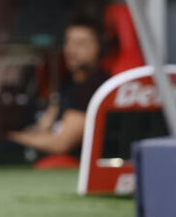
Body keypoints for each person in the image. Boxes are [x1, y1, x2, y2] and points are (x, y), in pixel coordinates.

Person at [8, 18, 109, 158]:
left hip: (71, 165)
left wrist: (13, 138)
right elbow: (44, 125)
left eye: (81, 44)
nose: (71, 50)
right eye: (68, 42)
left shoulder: (96, 88)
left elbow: (61, 144)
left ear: (100, 48)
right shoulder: (68, 83)